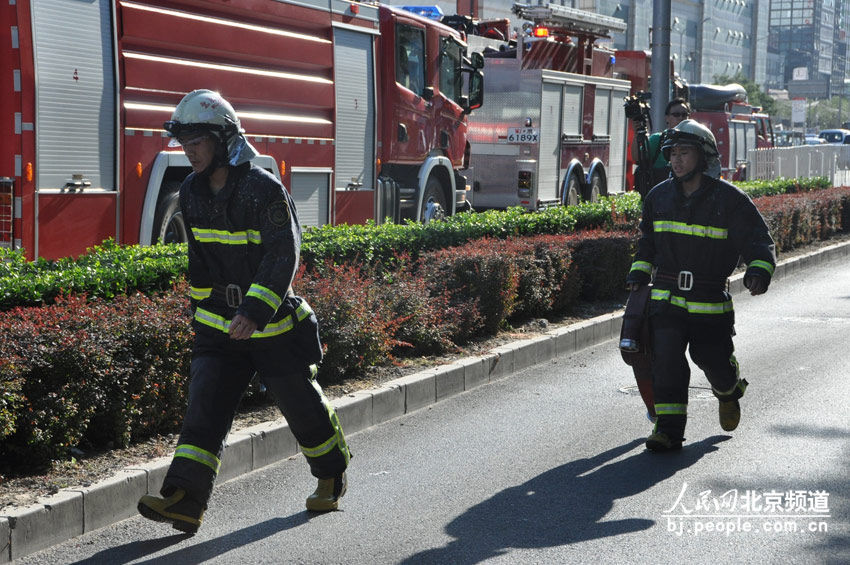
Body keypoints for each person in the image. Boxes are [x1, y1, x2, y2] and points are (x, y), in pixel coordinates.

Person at [137, 90, 351, 534]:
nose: (189, 150)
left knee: (301, 405)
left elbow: (282, 255)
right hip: (218, 326)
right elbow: (198, 258)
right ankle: (184, 500)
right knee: (205, 408)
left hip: (272, 325)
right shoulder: (192, 192)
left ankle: (331, 472)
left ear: (222, 139)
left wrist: (253, 311)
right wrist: (200, 311)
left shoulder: (262, 189)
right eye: (184, 142)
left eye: (197, 140)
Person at [625, 119, 776, 452]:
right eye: (672, 154)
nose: (676, 160)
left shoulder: (731, 200)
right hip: (666, 299)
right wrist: (639, 272)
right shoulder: (658, 197)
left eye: (684, 153)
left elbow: (759, 242)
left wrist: (759, 271)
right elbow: (647, 242)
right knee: (666, 362)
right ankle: (667, 430)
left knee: (712, 359)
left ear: (703, 155)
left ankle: (729, 388)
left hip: (710, 301)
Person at [630, 98, 693, 191]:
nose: (681, 118)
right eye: (676, 114)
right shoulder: (657, 139)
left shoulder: (695, 140)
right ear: (667, 118)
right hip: (660, 198)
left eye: (684, 115)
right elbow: (637, 157)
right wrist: (637, 134)